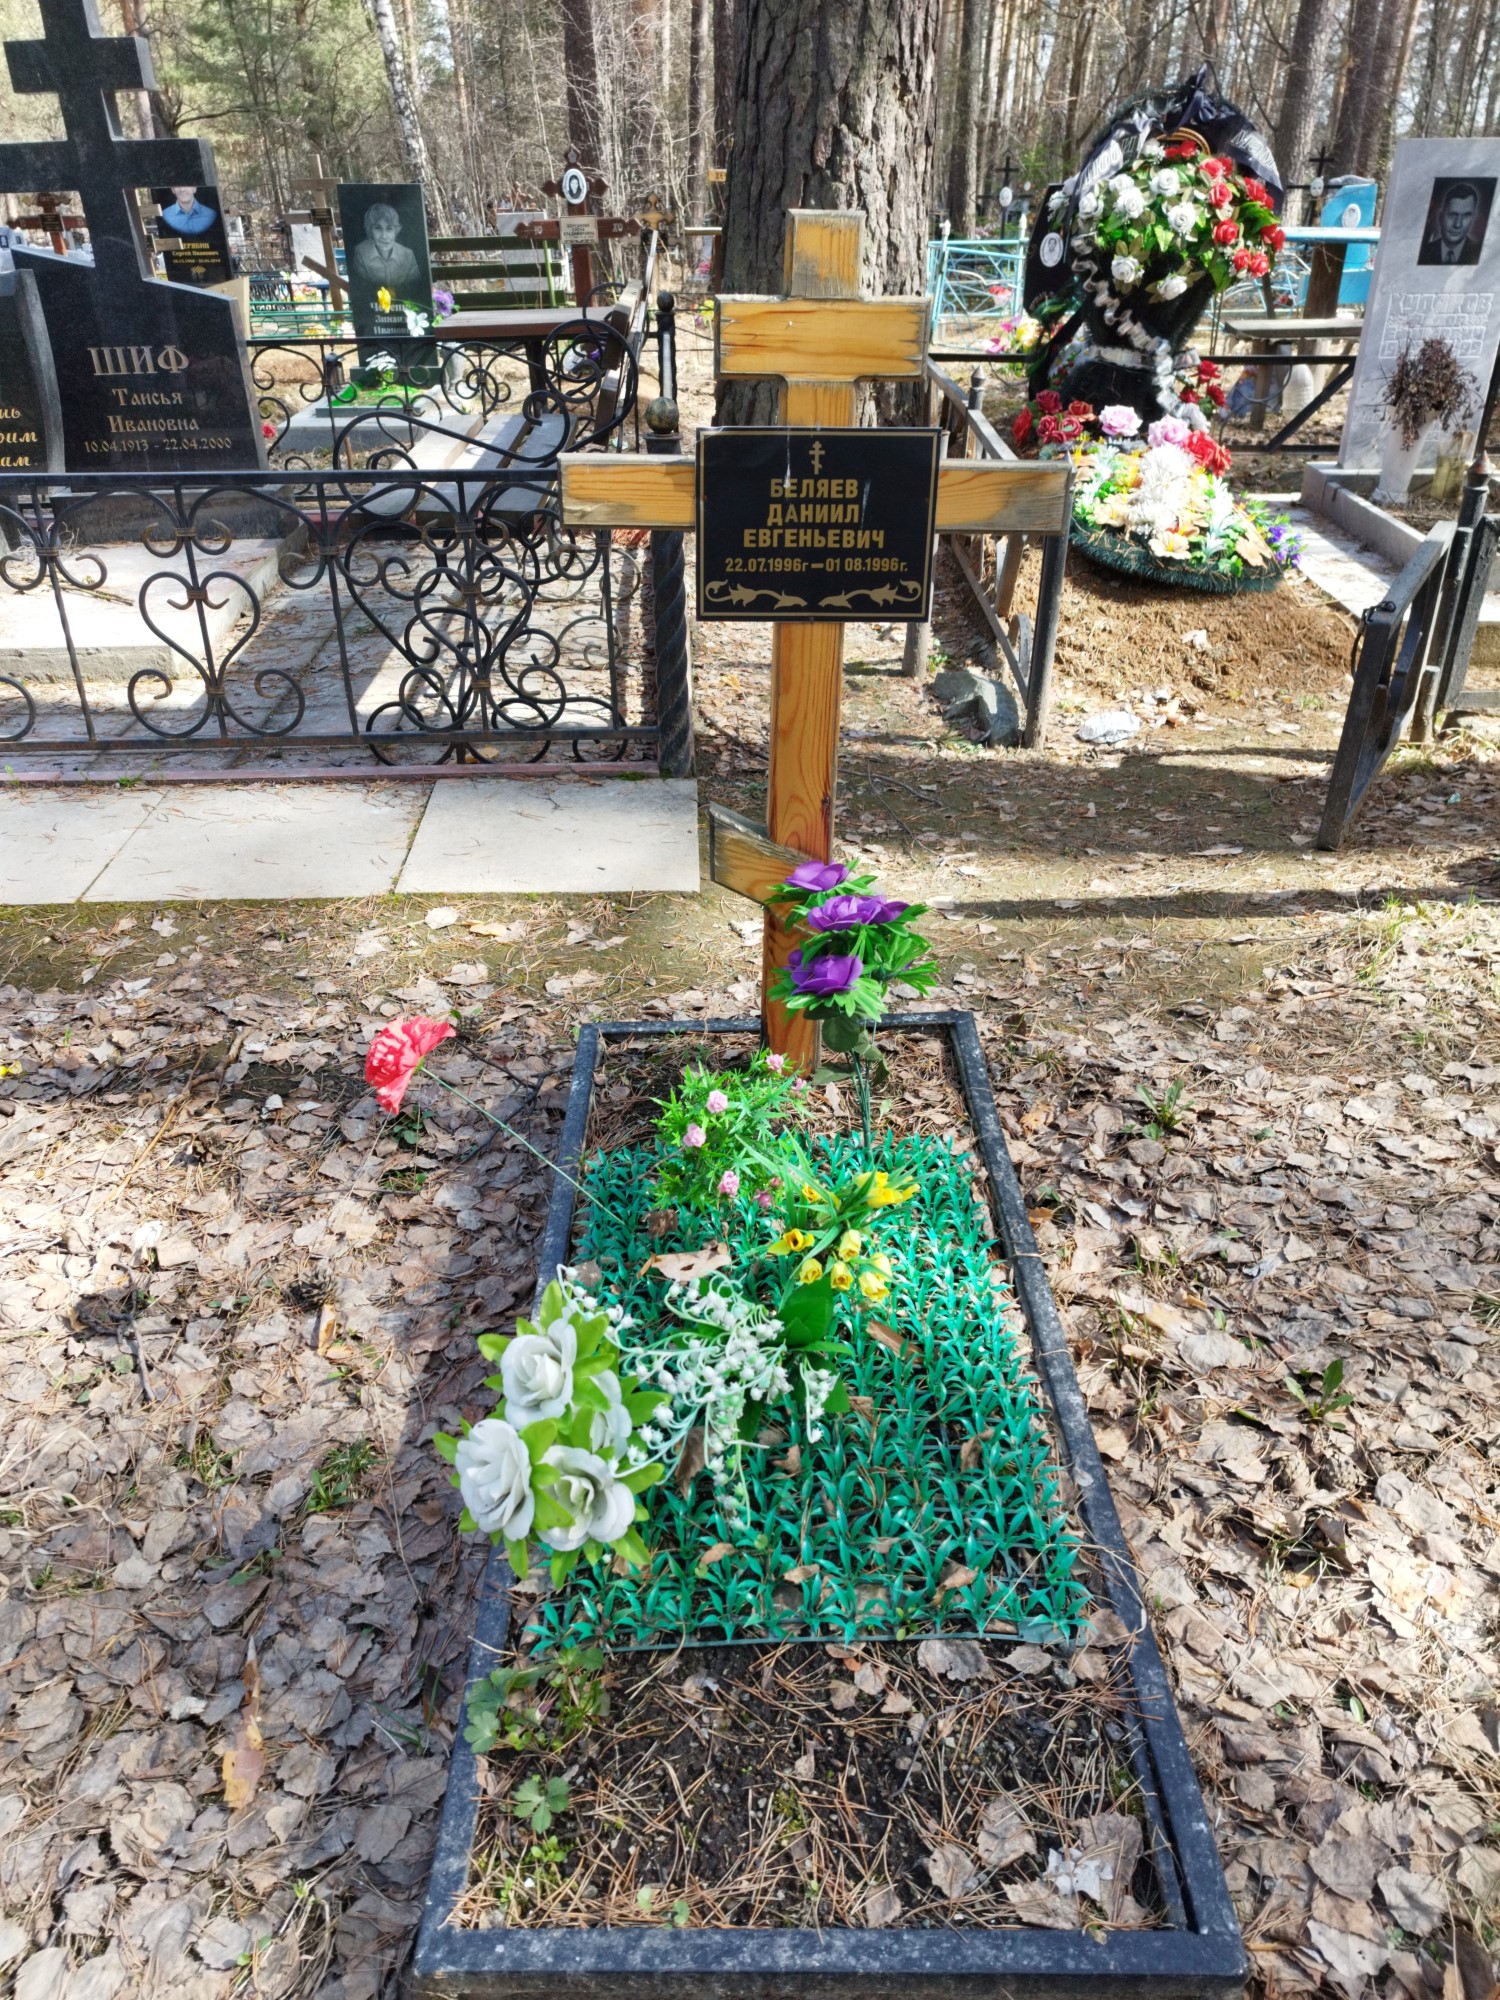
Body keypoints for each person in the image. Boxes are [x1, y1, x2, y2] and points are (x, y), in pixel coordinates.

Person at [349, 202, 420, 295]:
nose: (384, 236)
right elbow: (362, 290)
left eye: (389, 228)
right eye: (378, 228)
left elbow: (415, 288)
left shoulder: (408, 255)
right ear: (370, 230)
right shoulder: (361, 253)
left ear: (396, 231)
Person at [1420, 181, 1485, 266]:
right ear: (1440, 217)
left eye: (1466, 215)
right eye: (1452, 215)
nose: (1458, 224)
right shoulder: (1424, 252)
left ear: (1472, 218)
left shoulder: (1482, 252)